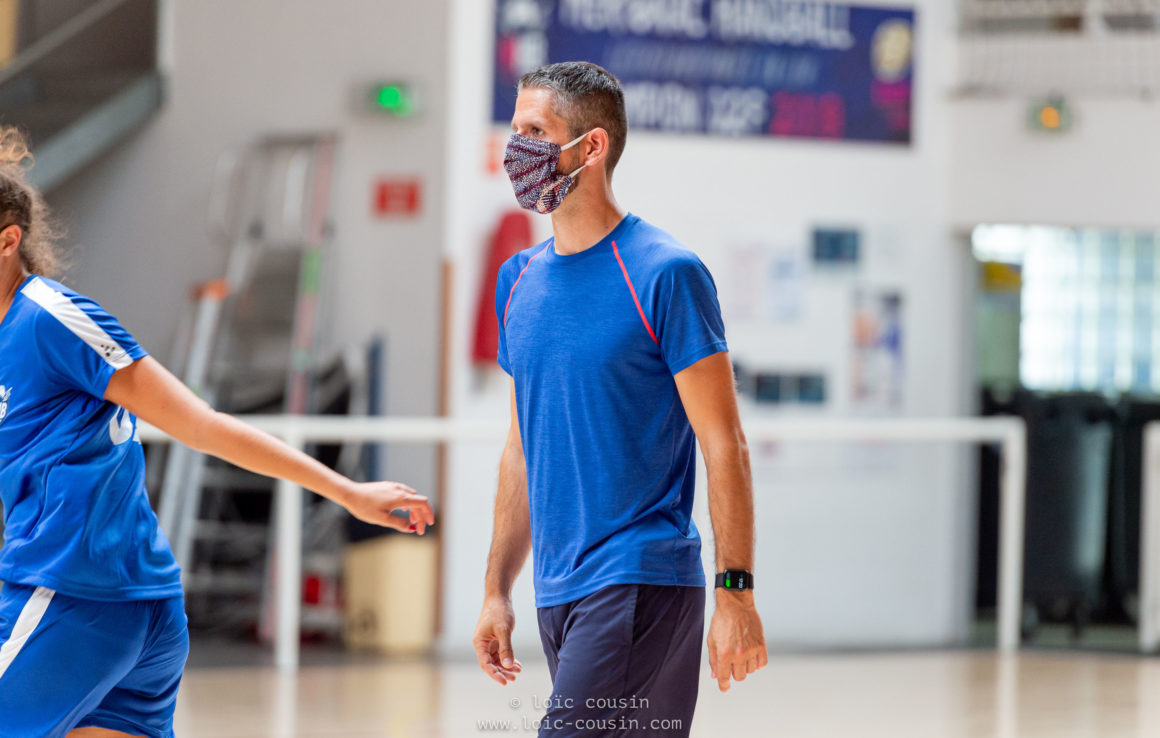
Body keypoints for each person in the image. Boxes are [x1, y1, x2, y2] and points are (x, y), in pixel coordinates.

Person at [0, 126, 434, 738]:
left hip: (75, 593)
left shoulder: (50, 317)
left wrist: (348, 492)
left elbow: (201, 425)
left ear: (8, 240)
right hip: (122, 602)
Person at [472, 62, 767, 737]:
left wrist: (736, 592)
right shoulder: (517, 281)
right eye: (514, 129)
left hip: (639, 579)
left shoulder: (666, 273)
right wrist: (496, 591)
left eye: (535, 131)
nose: (517, 149)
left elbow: (725, 442)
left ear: (592, 146)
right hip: (558, 590)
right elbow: (520, 453)